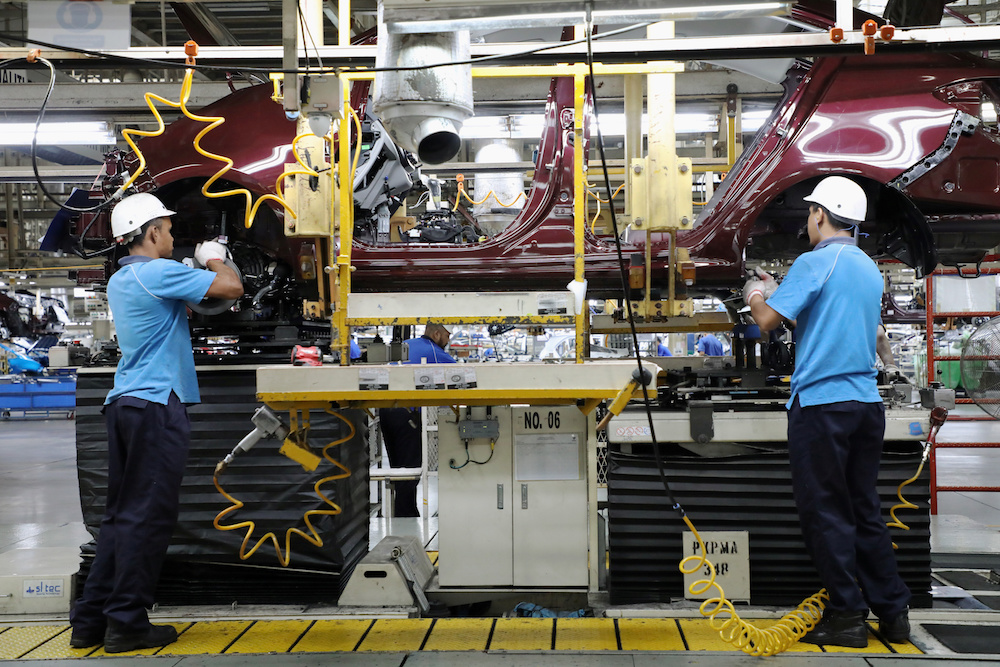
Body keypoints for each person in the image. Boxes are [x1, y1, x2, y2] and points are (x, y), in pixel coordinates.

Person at [69, 193, 243, 653]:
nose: (170, 235)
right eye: (166, 228)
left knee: (121, 517)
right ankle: (126, 623)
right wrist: (214, 259)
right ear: (150, 233)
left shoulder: (124, 279)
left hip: (125, 404)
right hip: (155, 406)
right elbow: (230, 290)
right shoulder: (157, 272)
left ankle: (90, 621)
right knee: (148, 516)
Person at [743, 176, 910, 648]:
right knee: (864, 510)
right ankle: (894, 614)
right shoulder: (866, 267)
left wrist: (755, 290)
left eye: (809, 213)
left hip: (821, 405)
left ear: (820, 214)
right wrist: (783, 290)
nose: (807, 221)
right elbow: (829, 318)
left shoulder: (814, 261)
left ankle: (848, 617)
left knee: (826, 513)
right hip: (864, 405)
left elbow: (765, 324)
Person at [378, 323, 455, 517]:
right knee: (410, 468)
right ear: (437, 334)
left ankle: (400, 511)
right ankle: (406, 516)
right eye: (447, 336)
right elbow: (463, 377)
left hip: (386, 411)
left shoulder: (407, 343)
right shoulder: (435, 351)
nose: (448, 341)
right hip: (407, 415)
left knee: (397, 467)